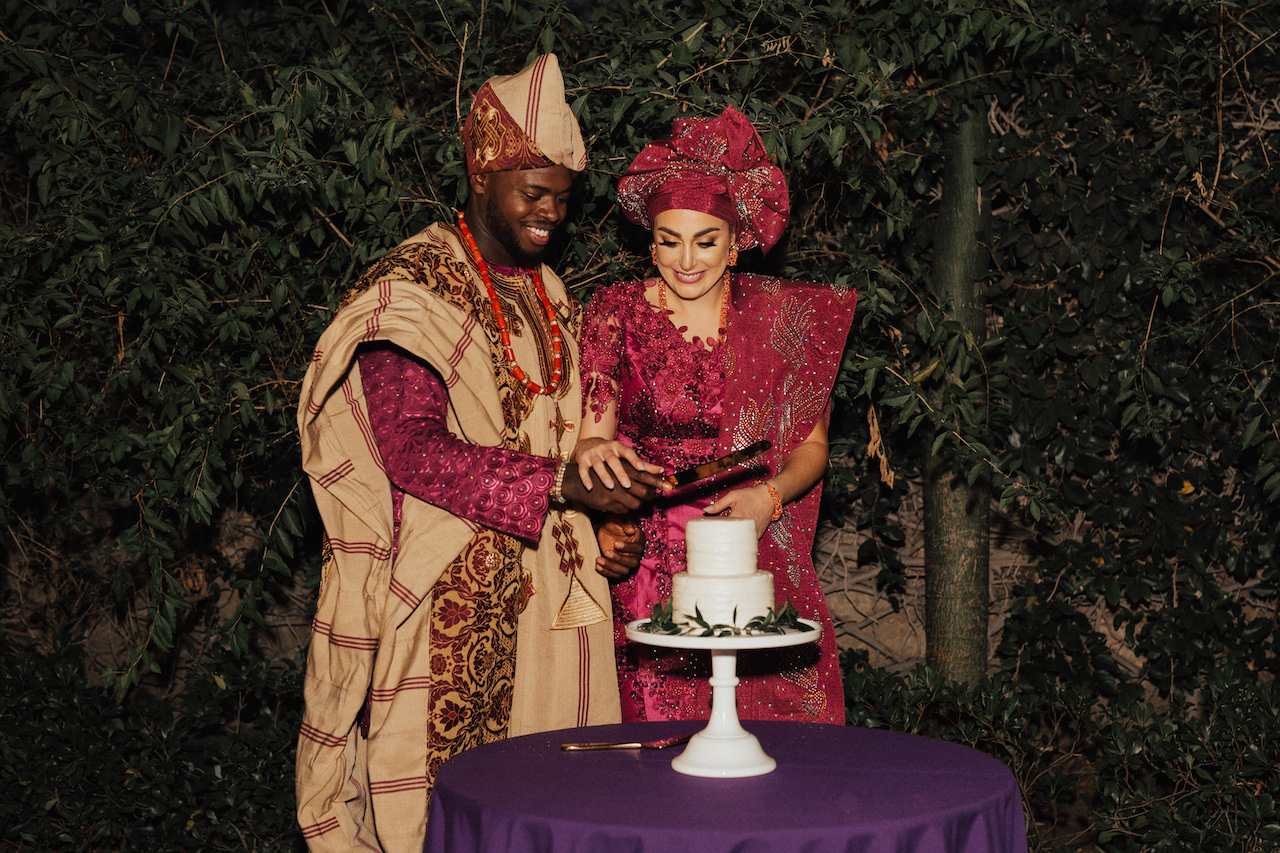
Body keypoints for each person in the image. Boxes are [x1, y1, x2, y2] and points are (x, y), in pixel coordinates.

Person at [294, 55, 662, 853]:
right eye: (533, 194)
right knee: (459, 824)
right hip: (455, 621)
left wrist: (602, 523)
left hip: (563, 615)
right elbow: (413, 451)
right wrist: (564, 485)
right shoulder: (416, 288)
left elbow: (557, 433)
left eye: (563, 200)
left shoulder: (551, 292)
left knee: (564, 814)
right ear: (481, 172)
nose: (549, 216)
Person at [575, 105, 857, 725]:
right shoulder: (613, 310)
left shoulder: (777, 323)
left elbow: (810, 447)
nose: (686, 260)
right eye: (669, 240)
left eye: (706, 241)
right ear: (649, 242)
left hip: (744, 548)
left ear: (736, 244)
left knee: (760, 744)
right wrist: (598, 474)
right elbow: (594, 438)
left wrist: (769, 499)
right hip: (645, 562)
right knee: (660, 748)